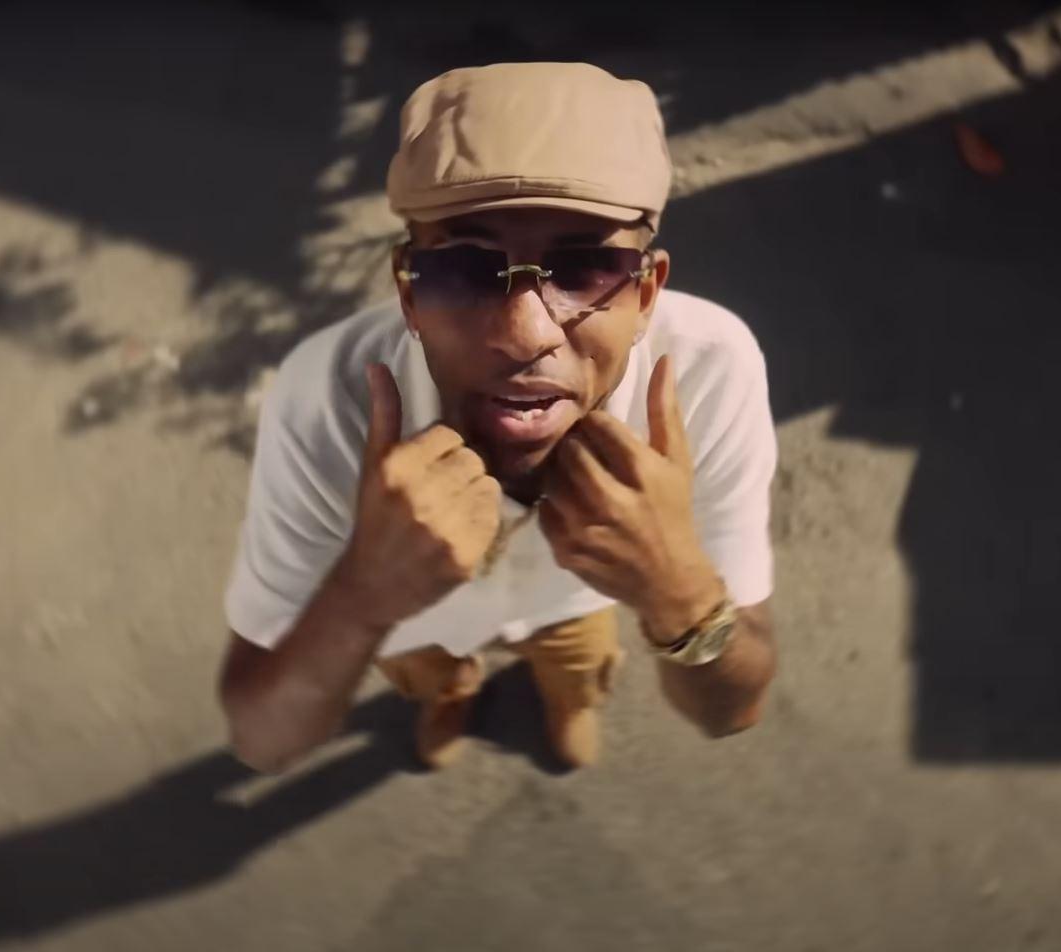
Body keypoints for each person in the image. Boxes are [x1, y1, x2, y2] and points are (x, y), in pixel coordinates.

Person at [218, 62, 778, 772]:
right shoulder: (326, 395)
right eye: (464, 270)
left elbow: (733, 711)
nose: (525, 335)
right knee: (432, 674)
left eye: (586, 269)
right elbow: (261, 738)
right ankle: (453, 695)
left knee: (577, 663)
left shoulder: (708, 370)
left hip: (571, 607)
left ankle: (567, 701)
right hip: (416, 625)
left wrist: (682, 594)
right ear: (408, 293)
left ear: (646, 294)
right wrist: (360, 597)